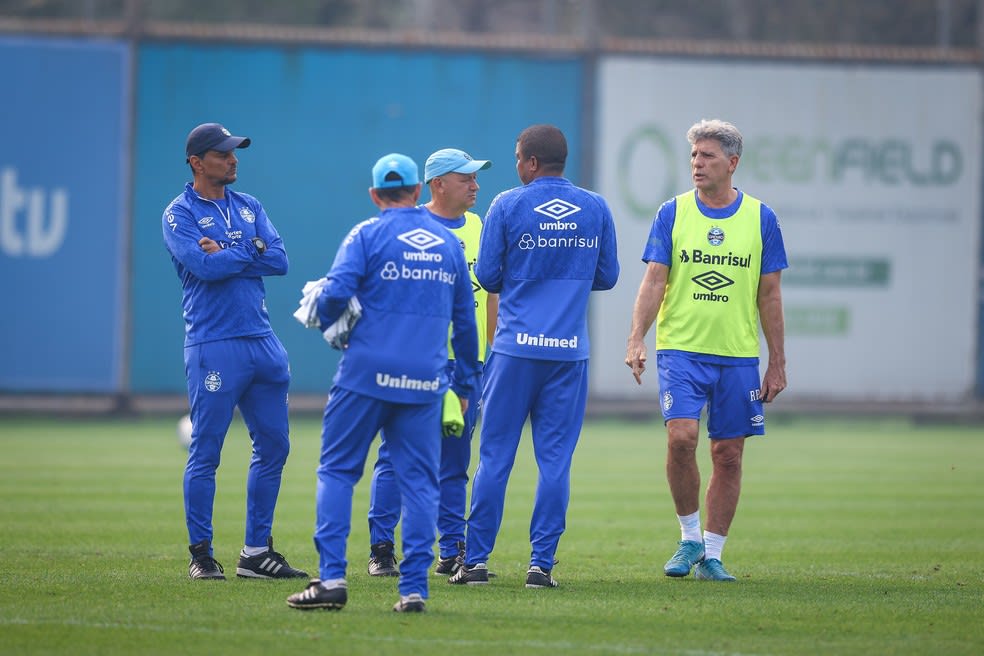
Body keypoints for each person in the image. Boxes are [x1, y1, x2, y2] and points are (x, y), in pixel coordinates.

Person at [286, 153, 480, 613]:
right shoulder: (448, 244)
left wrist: (329, 316)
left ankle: (332, 579)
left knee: (337, 472)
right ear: (417, 192)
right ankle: (413, 588)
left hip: (364, 376)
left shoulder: (365, 234)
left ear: (375, 195)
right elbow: (466, 323)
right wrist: (466, 385)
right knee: (419, 483)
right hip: (424, 382)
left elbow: (334, 295)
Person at [449, 124, 619, 589]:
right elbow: (607, 277)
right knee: (555, 463)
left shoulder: (506, 204)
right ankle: (541, 566)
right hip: (569, 353)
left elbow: (488, 275)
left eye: (516, 157)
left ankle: (477, 562)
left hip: (514, 352)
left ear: (529, 162)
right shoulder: (596, 206)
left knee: (495, 458)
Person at [624, 118, 788, 582]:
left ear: (732, 163)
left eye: (708, 156)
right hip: (681, 351)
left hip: (737, 355)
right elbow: (654, 279)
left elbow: (770, 294)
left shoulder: (761, 218)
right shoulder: (672, 213)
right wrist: (637, 337)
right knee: (681, 439)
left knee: (729, 454)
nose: (697, 163)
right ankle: (688, 536)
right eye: (694, 155)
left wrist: (776, 361)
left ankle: (712, 554)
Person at [162, 122, 307, 581]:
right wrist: (249, 249)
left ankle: (255, 553)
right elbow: (203, 267)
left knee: (275, 447)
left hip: (262, 342)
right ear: (197, 162)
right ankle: (201, 555)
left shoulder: (250, 205)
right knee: (207, 450)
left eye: (234, 152)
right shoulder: (178, 213)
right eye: (223, 154)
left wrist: (229, 248)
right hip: (215, 345)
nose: (233, 159)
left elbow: (280, 260)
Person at [364, 148, 497, 579]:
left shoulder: (479, 226)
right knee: (396, 454)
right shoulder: (410, 224)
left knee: (455, 461)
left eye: (475, 178)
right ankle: (383, 549)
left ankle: (451, 550)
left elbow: (491, 291)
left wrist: (488, 351)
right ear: (437, 184)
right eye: (466, 178)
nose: (475, 185)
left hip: (465, 363)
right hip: (416, 360)